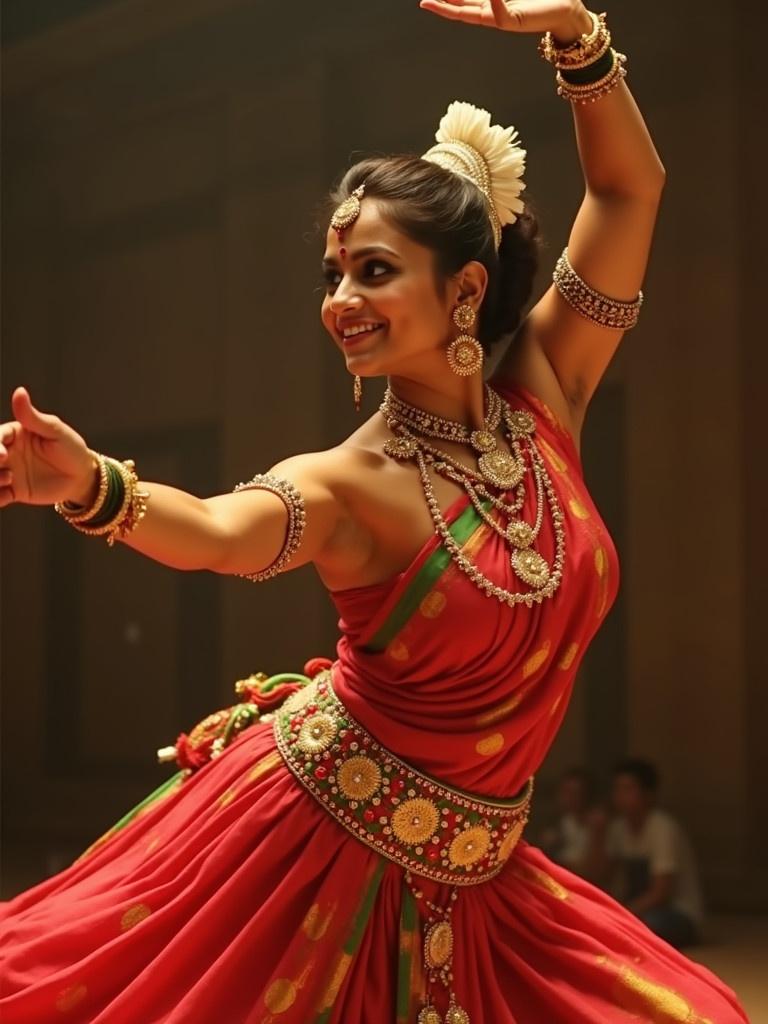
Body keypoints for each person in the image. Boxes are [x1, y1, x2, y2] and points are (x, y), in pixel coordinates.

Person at [0, 1, 749, 1021]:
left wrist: (578, 36)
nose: (340, 297)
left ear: (467, 289)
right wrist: (95, 486)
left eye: (375, 269)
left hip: (485, 874)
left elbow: (629, 190)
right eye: (334, 273)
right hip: (315, 853)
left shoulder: (546, 390)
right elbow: (218, 533)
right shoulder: (349, 481)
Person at [607, 758, 705, 950]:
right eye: (617, 789)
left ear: (648, 795)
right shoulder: (617, 828)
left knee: (649, 925)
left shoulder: (663, 828)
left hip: (676, 913)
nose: (620, 795)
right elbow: (603, 875)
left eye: (628, 789)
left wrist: (624, 912)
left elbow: (661, 893)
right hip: (638, 909)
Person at [539, 767, 609, 882]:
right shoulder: (562, 822)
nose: (567, 798)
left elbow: (594, 870)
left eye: (574, 793)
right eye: (565, 792)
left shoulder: (598, 822)